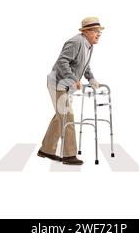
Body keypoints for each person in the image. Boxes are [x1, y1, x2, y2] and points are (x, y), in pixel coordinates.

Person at [37, 17, 104, 165]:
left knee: (60, 118)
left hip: (67, 86)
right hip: (58, 84)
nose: (99, 34)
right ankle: (69, 155)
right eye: (95, 31)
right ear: (85, 31)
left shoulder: (89, 46)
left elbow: (85, 66)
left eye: (100, 32)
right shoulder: (76, 42)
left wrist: (91, 79)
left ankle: (46, 149)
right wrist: (74, 78)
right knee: (68, 116)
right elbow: (62, 61)